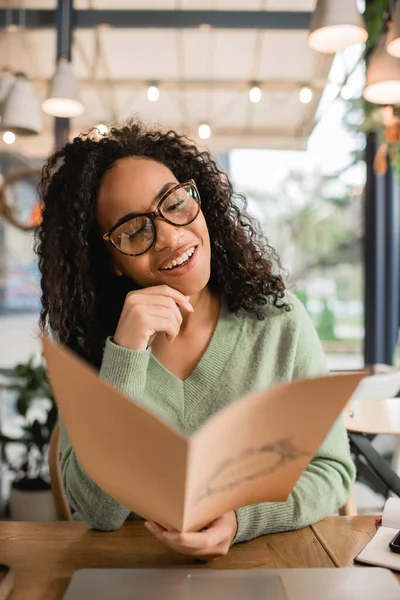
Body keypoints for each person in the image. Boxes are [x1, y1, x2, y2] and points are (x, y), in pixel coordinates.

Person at [36, 121, 355, 561]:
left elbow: (332, 470)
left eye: (175, 203)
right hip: (129, 576)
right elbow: (99, 511)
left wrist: (242, 518)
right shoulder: (88, 344)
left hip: (261, 568)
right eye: (133, 231)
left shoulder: (278, 321)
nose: (169, 236)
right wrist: (125, 357)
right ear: (109, 261)